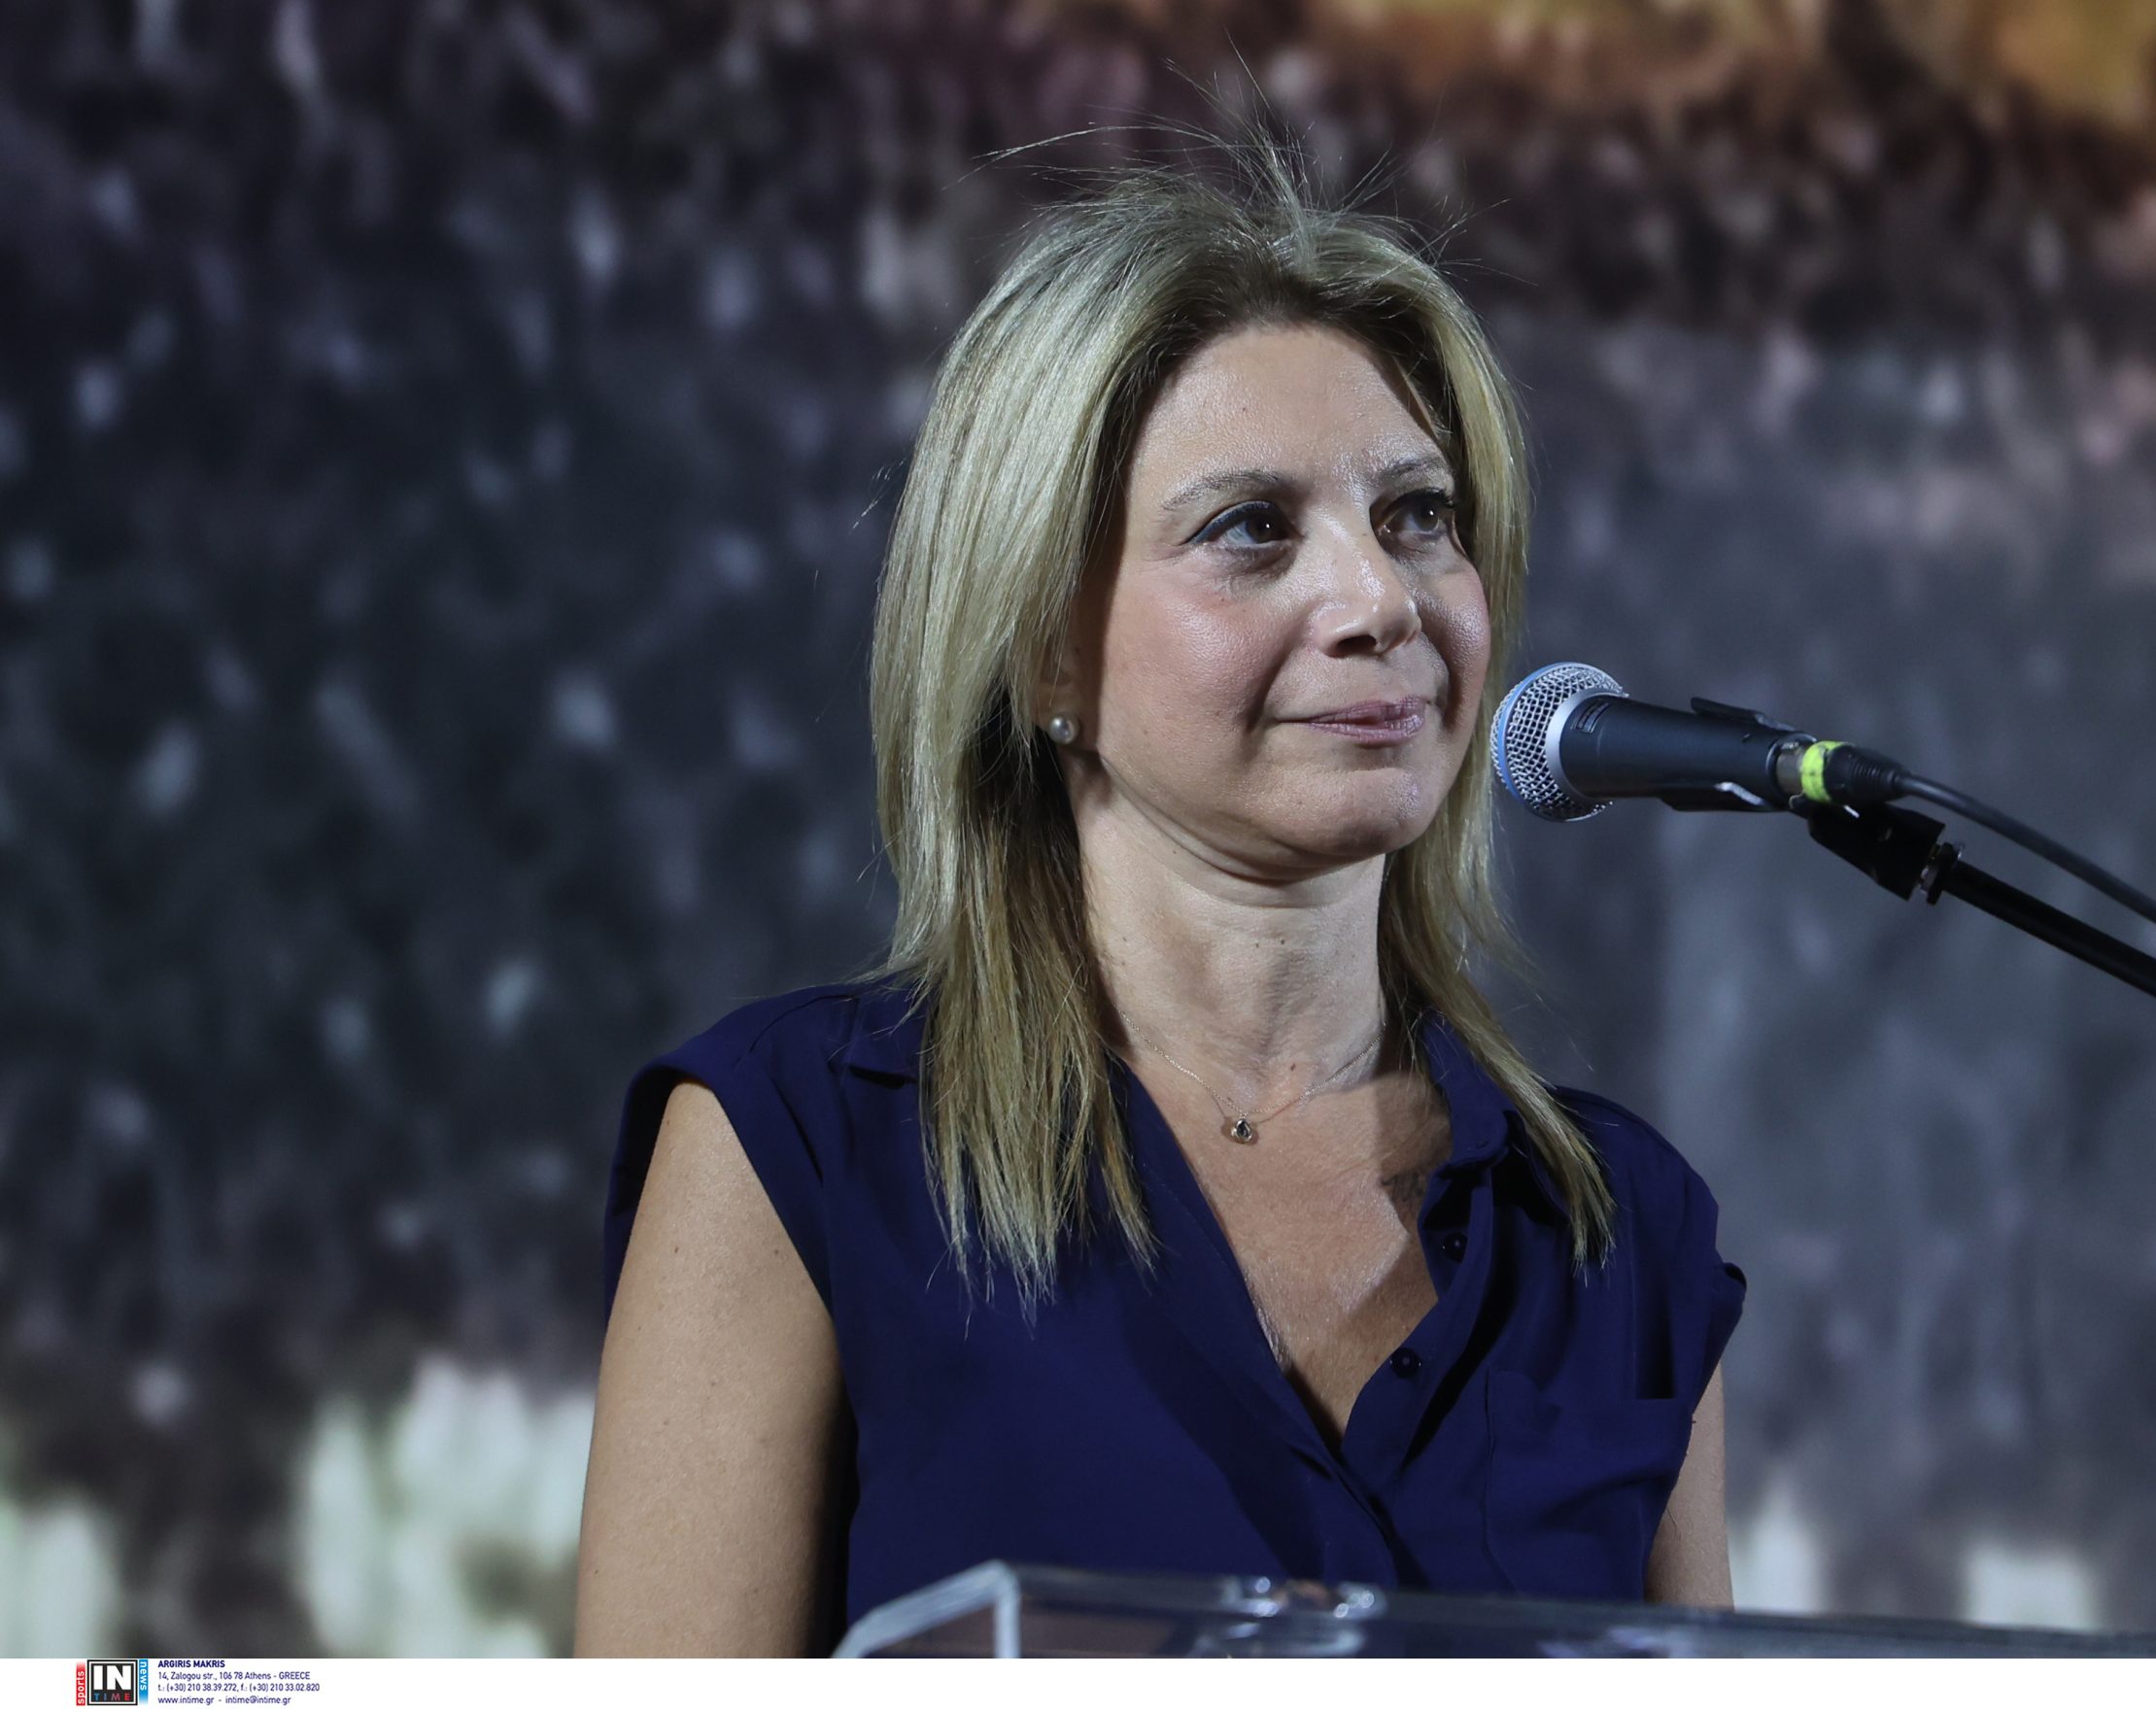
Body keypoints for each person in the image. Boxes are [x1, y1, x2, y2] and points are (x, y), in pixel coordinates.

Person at [573, 135, 1745, 1657]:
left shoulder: (1616, 1227)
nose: (1380, 600)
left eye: (1417, 517)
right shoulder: (800, 1145)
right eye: (1252, 528)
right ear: (1043, 650)